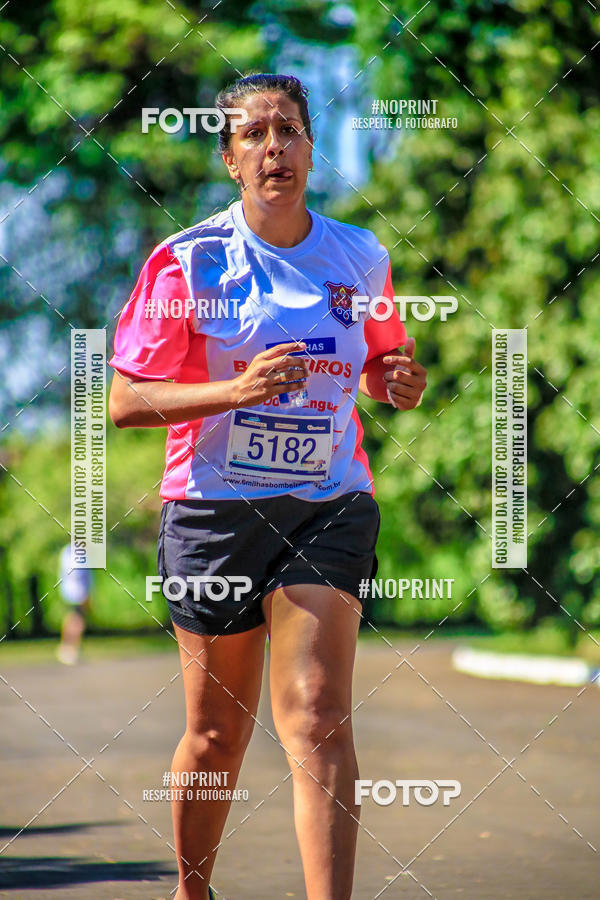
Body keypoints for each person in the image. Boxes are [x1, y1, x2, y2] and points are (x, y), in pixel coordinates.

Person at [108, 73, 427, 900]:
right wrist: (235, 391)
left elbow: (377, 360)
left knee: (317, 714)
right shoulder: (189, 261)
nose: (273, 147)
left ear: (312, 149)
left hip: (330, 503)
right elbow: (125, 401)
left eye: (287, 130)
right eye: (252, 135)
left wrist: (391, 379)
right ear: (229, 159)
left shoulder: (361, 255)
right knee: (216, 736)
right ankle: (193, 889)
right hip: (213, 512)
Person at [56, 543, 92, 665]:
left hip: (70, 591)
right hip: (77, 591)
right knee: (77, 622)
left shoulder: (67, 551)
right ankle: (70, 649)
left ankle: (68, 647)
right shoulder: (76, 553)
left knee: (72, 619)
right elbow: (80, 573)